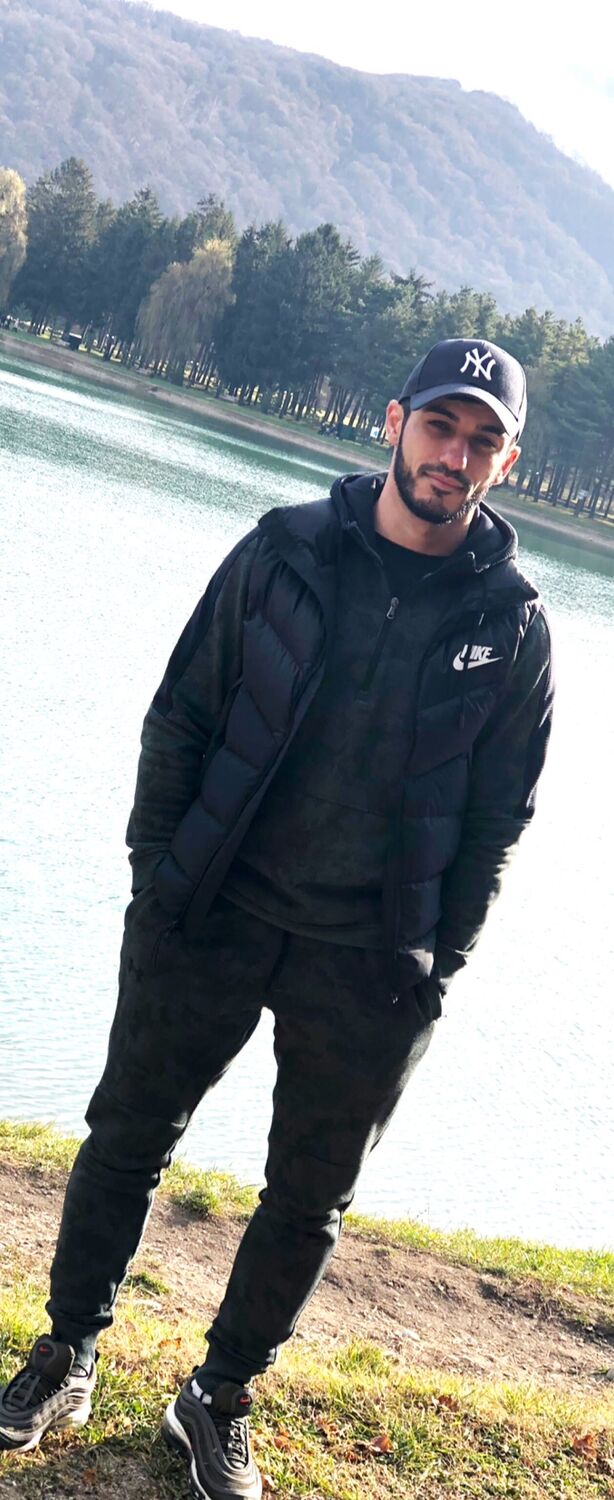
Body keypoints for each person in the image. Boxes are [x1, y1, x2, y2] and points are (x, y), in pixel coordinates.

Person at [0, 338, 554, 1499]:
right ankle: (67, 1353)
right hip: (212, 911)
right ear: (393, 422)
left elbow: (498, 818)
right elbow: (181, 716)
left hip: (369, 961)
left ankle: (217, 1397)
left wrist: (436, 960)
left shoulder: (511, 624)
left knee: (308, 1199)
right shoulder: (281, 551)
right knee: (126, 1138)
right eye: (438, 426)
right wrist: (157, 875)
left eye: (479, 440)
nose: (452, 455)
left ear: (503, 461)